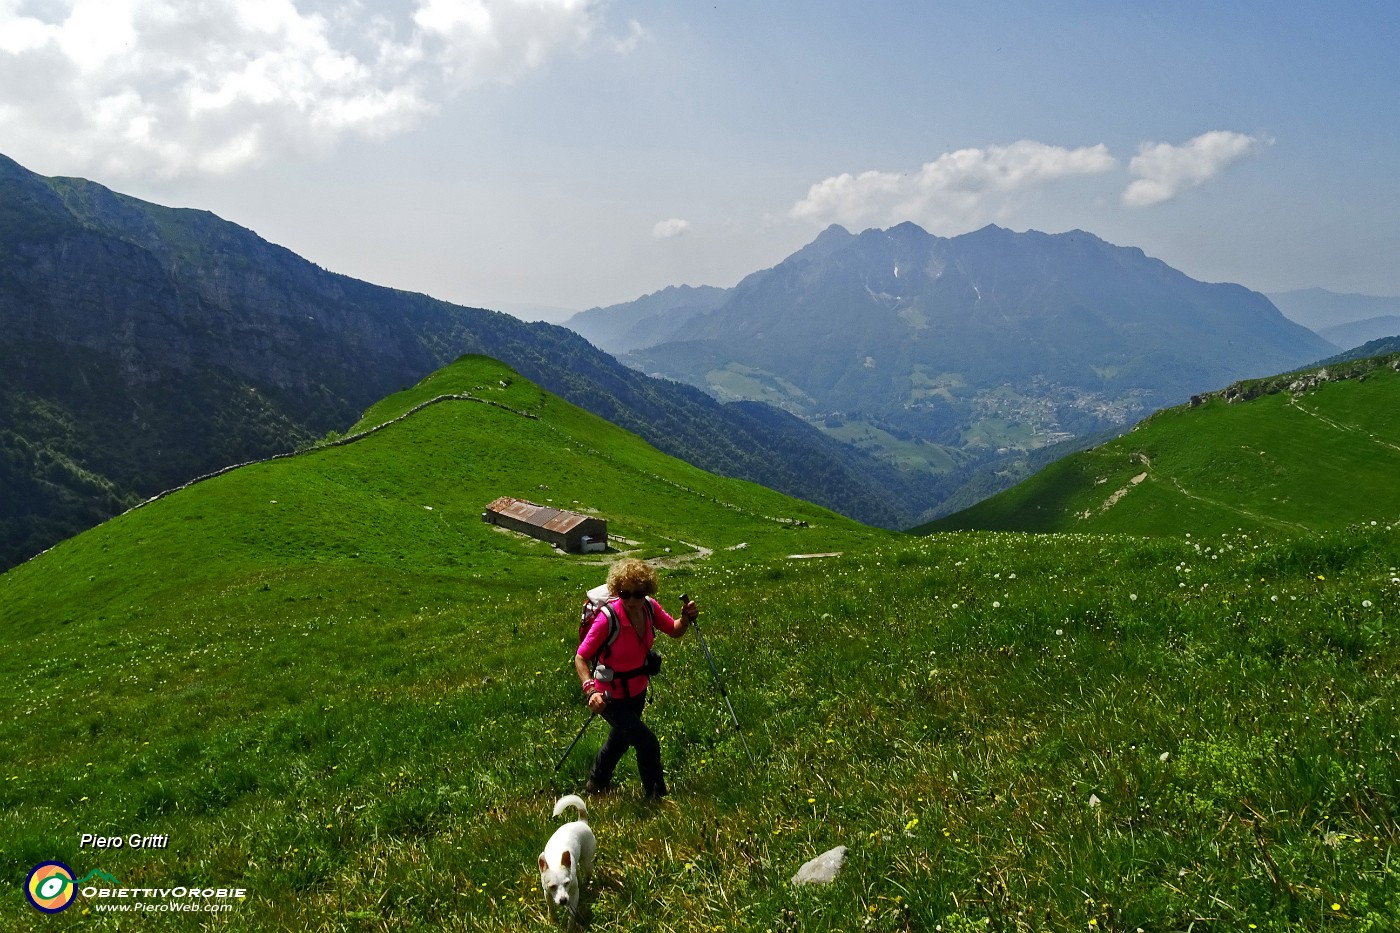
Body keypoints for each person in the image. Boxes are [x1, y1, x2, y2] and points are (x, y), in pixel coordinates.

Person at [574, 558, 696, 799]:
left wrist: (686, 618)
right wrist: (591, 690)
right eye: (624, 593)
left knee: (621, 739)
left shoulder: (649, 608)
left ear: (647, 591)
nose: (631, 600)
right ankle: (655, 797)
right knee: (647, 743)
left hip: (637, 689)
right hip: (610, 695)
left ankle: (596, 784)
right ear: (617, 591)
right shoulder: (607, 619)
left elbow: (674, 630)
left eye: (637, 594)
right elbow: (581, 657)